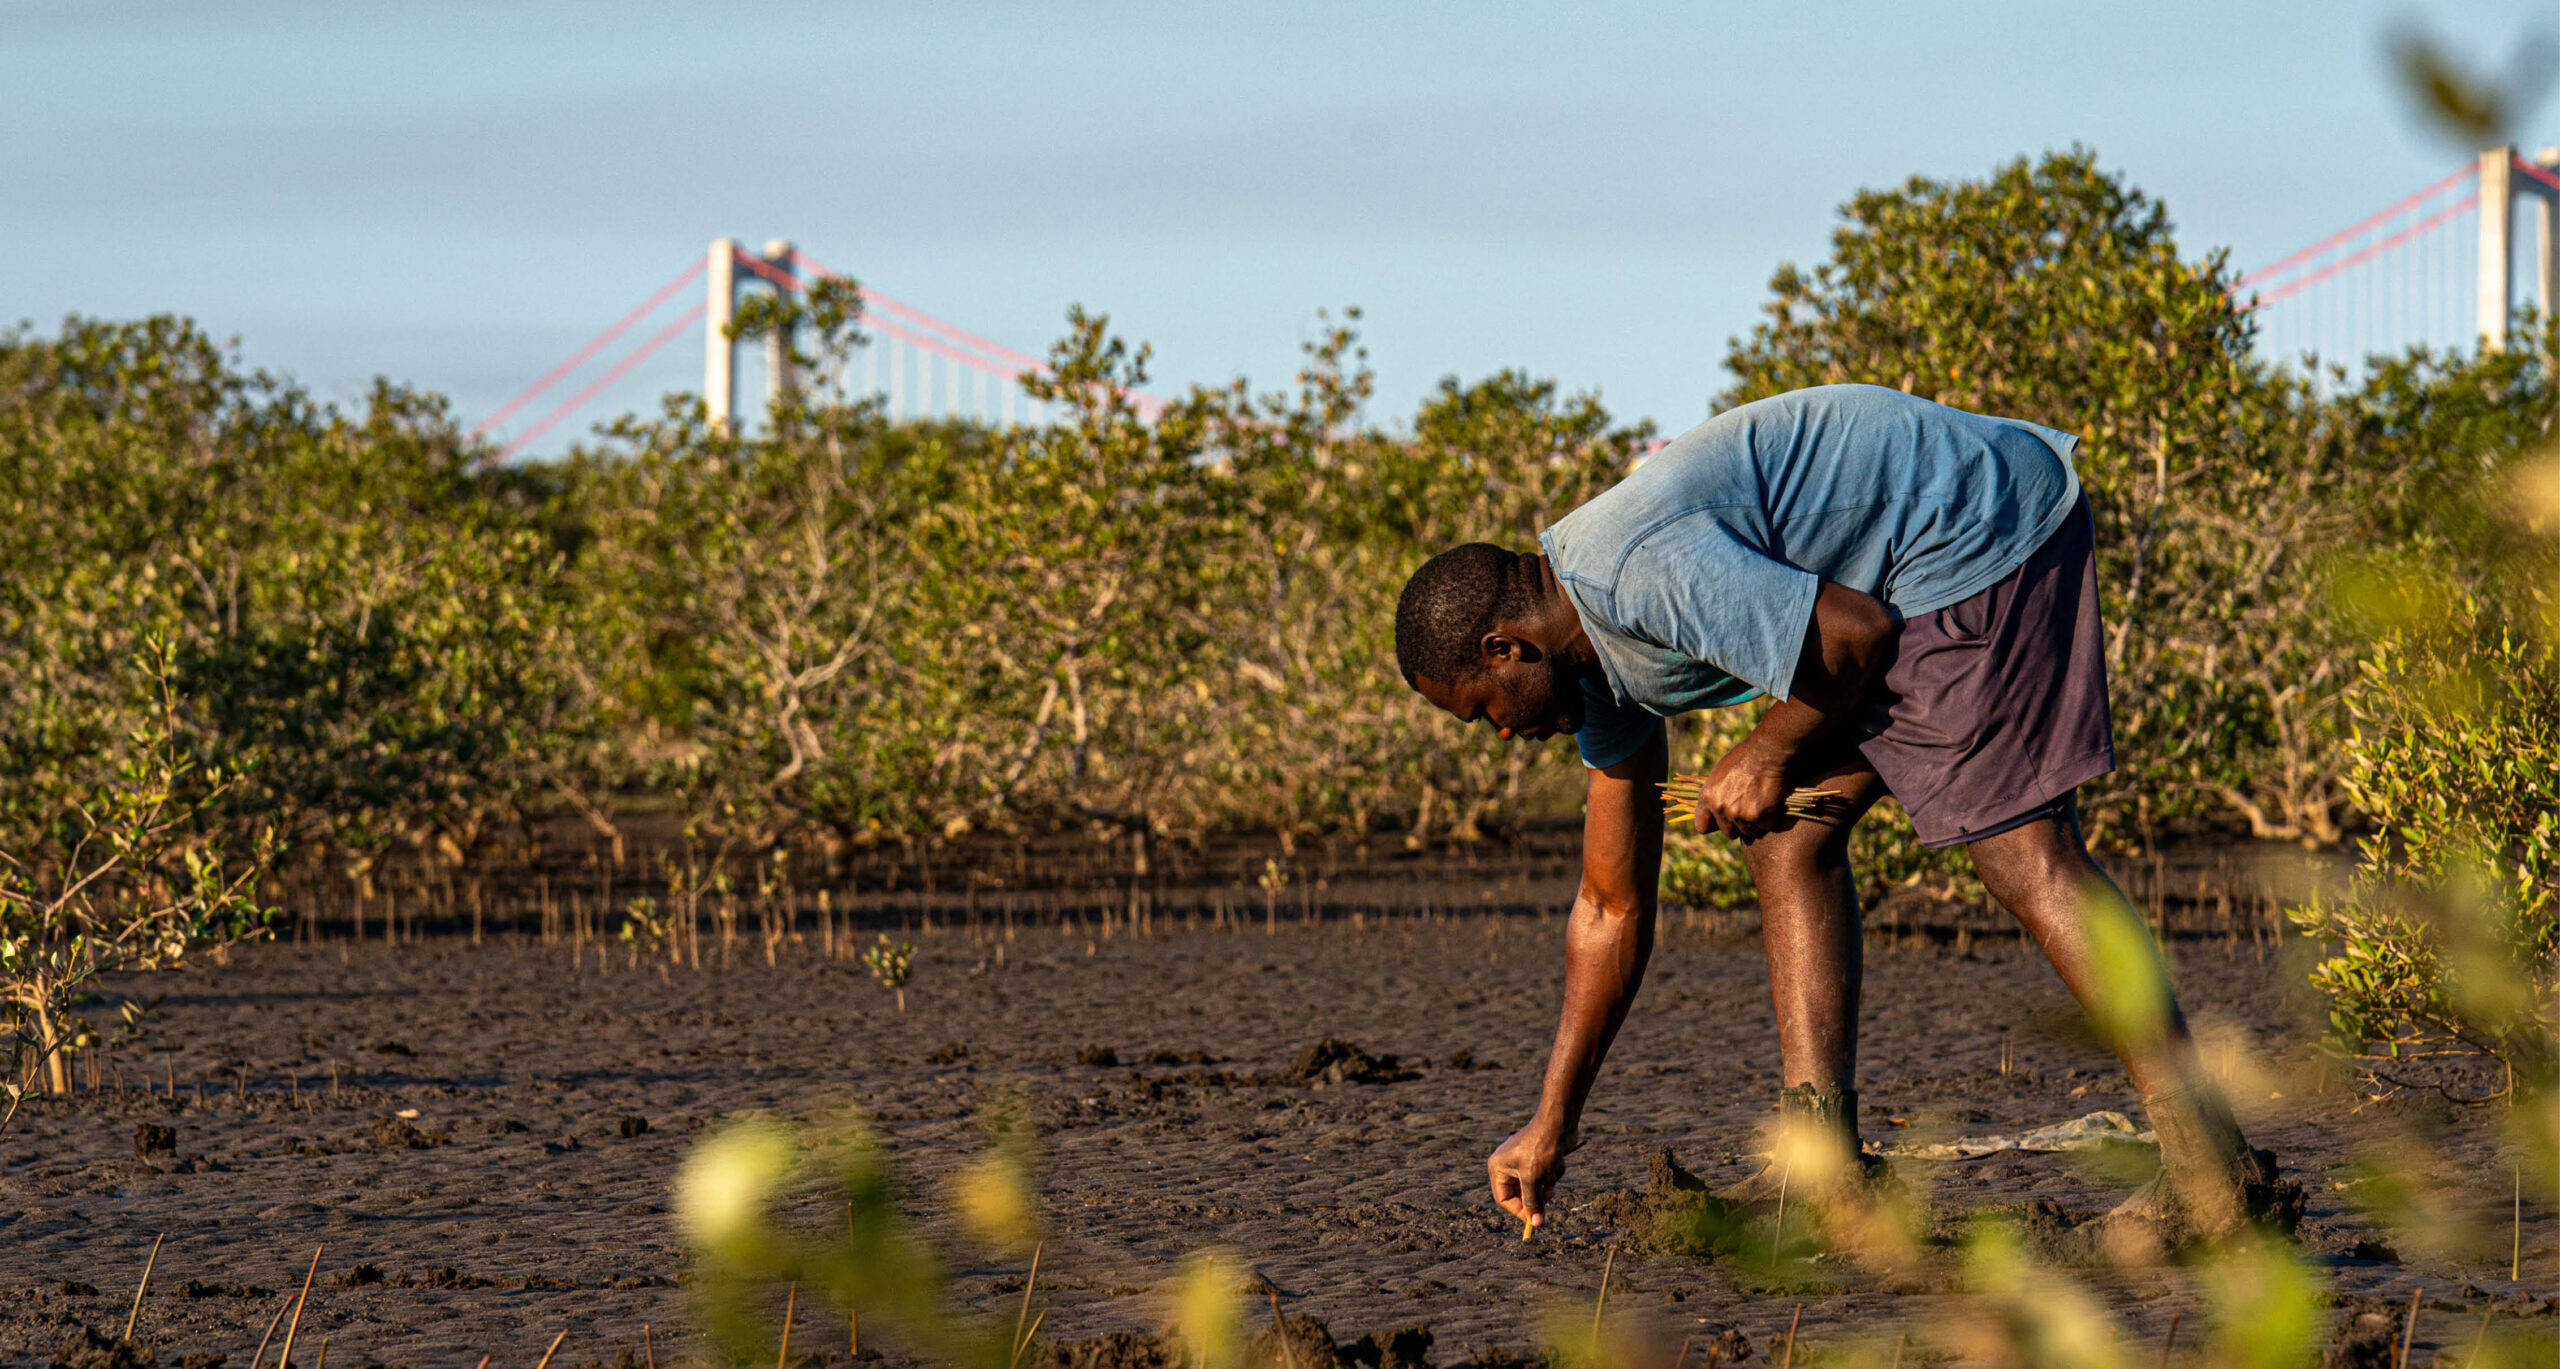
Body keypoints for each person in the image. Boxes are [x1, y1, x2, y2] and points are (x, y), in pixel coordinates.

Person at [1392, 383, 2299, 1261]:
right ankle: (1822, 1177)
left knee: (2023, 854)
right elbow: (1609, 907)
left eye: (1484, 711)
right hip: (1898, 583)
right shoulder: (1589, 674)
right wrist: (1552, 1123)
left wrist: (1768, 751)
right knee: (1790, 835)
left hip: (1975, 532)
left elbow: (1854, 637)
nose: (1503, 735)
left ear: (1504, 649)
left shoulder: (1634, 571)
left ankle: (2213, 1174)